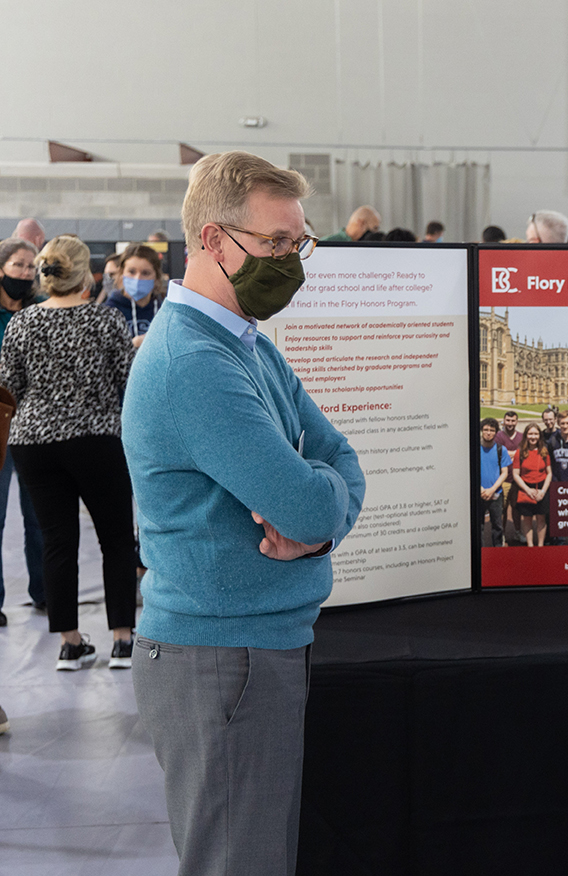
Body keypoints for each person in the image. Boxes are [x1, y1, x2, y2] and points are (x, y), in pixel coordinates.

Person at [123, 151, 364, 876]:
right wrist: (317, 506)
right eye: (276, 244)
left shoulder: (243, 344)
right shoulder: (195, 363)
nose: (292, 261)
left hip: (250, 649)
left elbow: (337, 462)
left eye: (299, 243)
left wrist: (317, 524)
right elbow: (305, 500)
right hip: (221, 657)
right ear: (213, 240)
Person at [0, 235, 137, 667]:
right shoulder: (107, 320)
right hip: (96, 438)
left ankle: (69, 642)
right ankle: (121, 638)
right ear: (86, 275)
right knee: (115, 539)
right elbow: (125, 381)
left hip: (34, 443)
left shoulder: (21, 323)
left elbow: (10, 387)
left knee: (57, 542)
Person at [0, 238, 44, 623]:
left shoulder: (38, 311)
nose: (26, 273)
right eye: (18, 265)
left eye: (31, 267)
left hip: (32, 423)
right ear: (1, 268)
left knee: (40, 514)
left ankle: (45, 591)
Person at [103, 242, 166, 343]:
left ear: (156, 276)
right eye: (132, 272)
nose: (138, 278)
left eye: (145, 273)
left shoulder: (164, 308)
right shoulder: (109, 311)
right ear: (122, 273)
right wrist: (132, 345)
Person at [511, 423, 552, 546]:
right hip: (525, 487)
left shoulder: (544, 451)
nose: (533, 437)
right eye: (530, 434)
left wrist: (543, 491)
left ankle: (540, 545)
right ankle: (530, 545)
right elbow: (516, 474)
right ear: (526, 435)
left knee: (541, 519)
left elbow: (549, 473)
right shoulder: (520, 452)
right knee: (527, 518)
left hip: (541, 487)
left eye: (535, 434)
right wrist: (527, 490)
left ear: (539, 436)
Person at [478, 417, 511, 546]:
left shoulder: (501, 450)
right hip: (479, 493)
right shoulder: (474, 448)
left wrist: (492, 489)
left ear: (496, 432)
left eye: (492, 430)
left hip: (496, 493)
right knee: (478, 525)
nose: (488, 433)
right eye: (486, 430)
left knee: (497, 526)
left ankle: (497, 551)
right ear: (481, 431)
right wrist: (480, 489)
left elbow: (505, 473)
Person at [495, 410, 525, 544]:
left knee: (517, 508)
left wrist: (508, 453)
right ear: (504, 421)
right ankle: (501, 535)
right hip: (504, 479)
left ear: (516, 422)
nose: (510, 423)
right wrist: (514, 454)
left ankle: (518, 532)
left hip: (518, 479)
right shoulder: (498, 436)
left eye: (513, 421)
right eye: (508, 420)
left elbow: (524, 454)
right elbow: (497, 454)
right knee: (502, 509)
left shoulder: (521, 436)